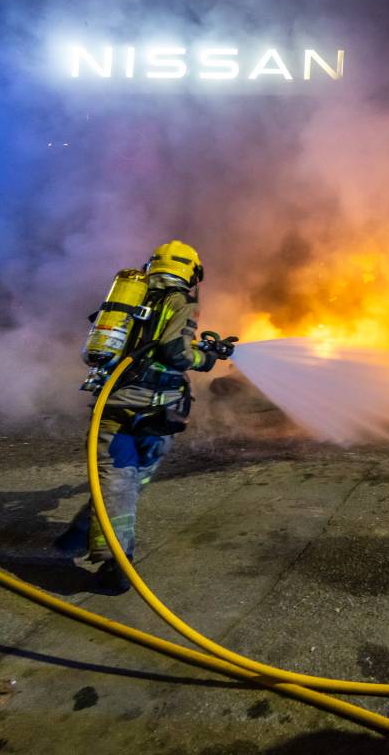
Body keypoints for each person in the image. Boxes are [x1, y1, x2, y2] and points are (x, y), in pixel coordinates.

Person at [55, 240, 234, 593]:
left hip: (117, 406)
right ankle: (115, 566)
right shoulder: (182, 301)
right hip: (157, 411)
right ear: (191, 273)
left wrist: (201, 349)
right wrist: (206, 359)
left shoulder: (133, 300)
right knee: (126, 481)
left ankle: (83, 531)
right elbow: (174, 353)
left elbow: (145, 348)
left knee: (119, 481)